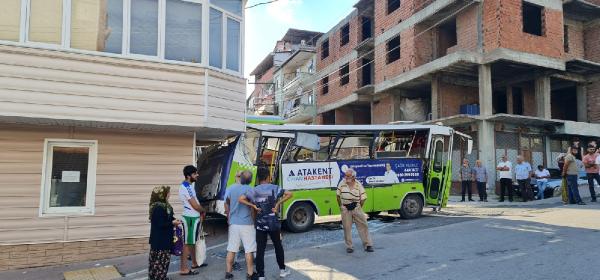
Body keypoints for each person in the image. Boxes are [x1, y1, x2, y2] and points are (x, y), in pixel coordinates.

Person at [240, 166, 293, 280]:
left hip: (260, 224)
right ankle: (282, 271)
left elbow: (241, 199)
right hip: (273, 223)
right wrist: (278, 203)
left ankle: (261, 275)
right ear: (268, 177)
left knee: (260, 249)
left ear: (258, 178)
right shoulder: (274, 187)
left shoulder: (254, 190)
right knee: (278, 246)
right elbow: (290, 194)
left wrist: (253, 205)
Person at [224, 170, 257, 280]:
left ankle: (228, 273)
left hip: (233, 223)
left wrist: (229, 215)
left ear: (241, 178)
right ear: (251, 180)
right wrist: (254, 220)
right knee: (249, 250)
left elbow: (227, 202)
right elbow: (253, 207)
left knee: (231, 249)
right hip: (246, 223)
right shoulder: (250, 189)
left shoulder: (232, 188)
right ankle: (250, 274)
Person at [336, 168, 374, 254]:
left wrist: (359, 206)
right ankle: (349, 246)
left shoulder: (358, 184)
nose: (345, 177)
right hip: (345, 208)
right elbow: (338, 196)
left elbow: (364, 197)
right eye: (345, 175)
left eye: (348, 176)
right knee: (346, 228)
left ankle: (368, 245)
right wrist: (341, 206)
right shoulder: (342, 183)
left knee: (363, 226)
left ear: (353, 177)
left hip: (356, 207)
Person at [149, 186, 180, 280]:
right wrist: (172, 223)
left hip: (162, 239)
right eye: (168, 192)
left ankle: (160, 277)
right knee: (160, 261)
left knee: (161, 261)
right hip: (160, 240)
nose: (169, 194)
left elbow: (167, 218)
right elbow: (161, 224)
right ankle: (160, 277)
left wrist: (174, 220)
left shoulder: (164, 205)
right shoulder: (158, 208)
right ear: (162, 195)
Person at [179, 165, 205, 276]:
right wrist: (203, 211)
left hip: (192, 217)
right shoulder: (186, 187)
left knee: (191, 242)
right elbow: (195, 205)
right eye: (195, 173)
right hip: (190, 218)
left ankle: (194, 262)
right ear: (189, 176)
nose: (197, 175)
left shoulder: (188, 185)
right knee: (187, 243)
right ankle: (184, 268)